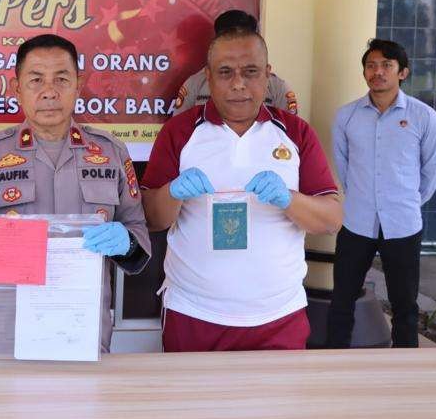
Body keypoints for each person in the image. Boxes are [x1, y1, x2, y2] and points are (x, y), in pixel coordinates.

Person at [0, 34, 151, 352]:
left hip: (80, 324)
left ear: (78, 84)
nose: (49, 91)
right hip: (4, 329)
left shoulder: (110, 152)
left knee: (82, 402)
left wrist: (125, 241)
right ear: (17, 88)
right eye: (36, 80)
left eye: (61, 79)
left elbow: (138, 233)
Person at [141, 27, 342, 352]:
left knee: (276, 404)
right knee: (192, 403)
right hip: (193, 314)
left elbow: (331, 218)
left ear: (267, 75)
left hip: (279, 317)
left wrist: (289, 199)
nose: (238, 84)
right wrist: (173, 193)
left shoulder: (295, 132)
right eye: (225, 73)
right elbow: (151, 218)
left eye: (250, 72)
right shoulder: (179, 131)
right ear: (208, 77)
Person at [327, 39, 436, 349]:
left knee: (405, 306)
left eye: (386, 66)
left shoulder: (424, 117)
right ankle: (332, 365)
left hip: (403, 225)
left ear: (402, 72)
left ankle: (404, 371)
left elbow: (432, 171)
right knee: (341, 299)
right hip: (357, 223)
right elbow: (344, 167)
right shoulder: (346, 116)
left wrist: (407, 203)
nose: (377, 72)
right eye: (371, 65)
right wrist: (364, 200)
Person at [172, 10, 298, 116]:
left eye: (243, 39)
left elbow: (291, 134)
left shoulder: (277, 87)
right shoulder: (195, 84)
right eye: (229, 40)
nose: (238, 84)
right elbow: (178, 133)